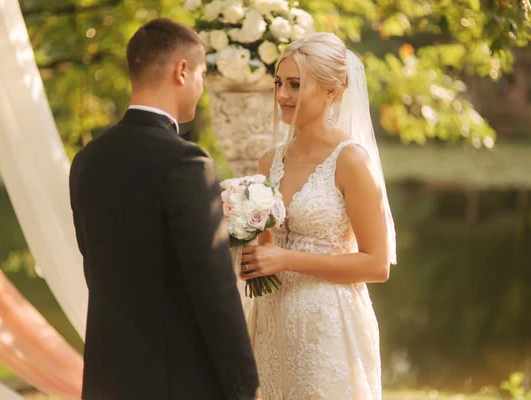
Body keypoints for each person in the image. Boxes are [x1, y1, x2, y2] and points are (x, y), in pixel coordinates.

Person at [69, 18, 259, 400]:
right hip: (178, 381)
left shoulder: (87, 159)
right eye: (203, 74)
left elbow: (95, 267)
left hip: (108, 376)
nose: (202, 86)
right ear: (182, 70)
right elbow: (214, 288)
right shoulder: (187, 162)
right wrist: (244, 386)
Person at [240, 32, 397, 399]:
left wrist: (284, 258)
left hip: (328, 329)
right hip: (271, 326)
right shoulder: (270, 162)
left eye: (295, 85)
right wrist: (246, 253)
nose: (282, 95)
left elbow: (377, 265)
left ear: (331, 91)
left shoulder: (351, 161)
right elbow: (265, 249)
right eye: (279, 83)